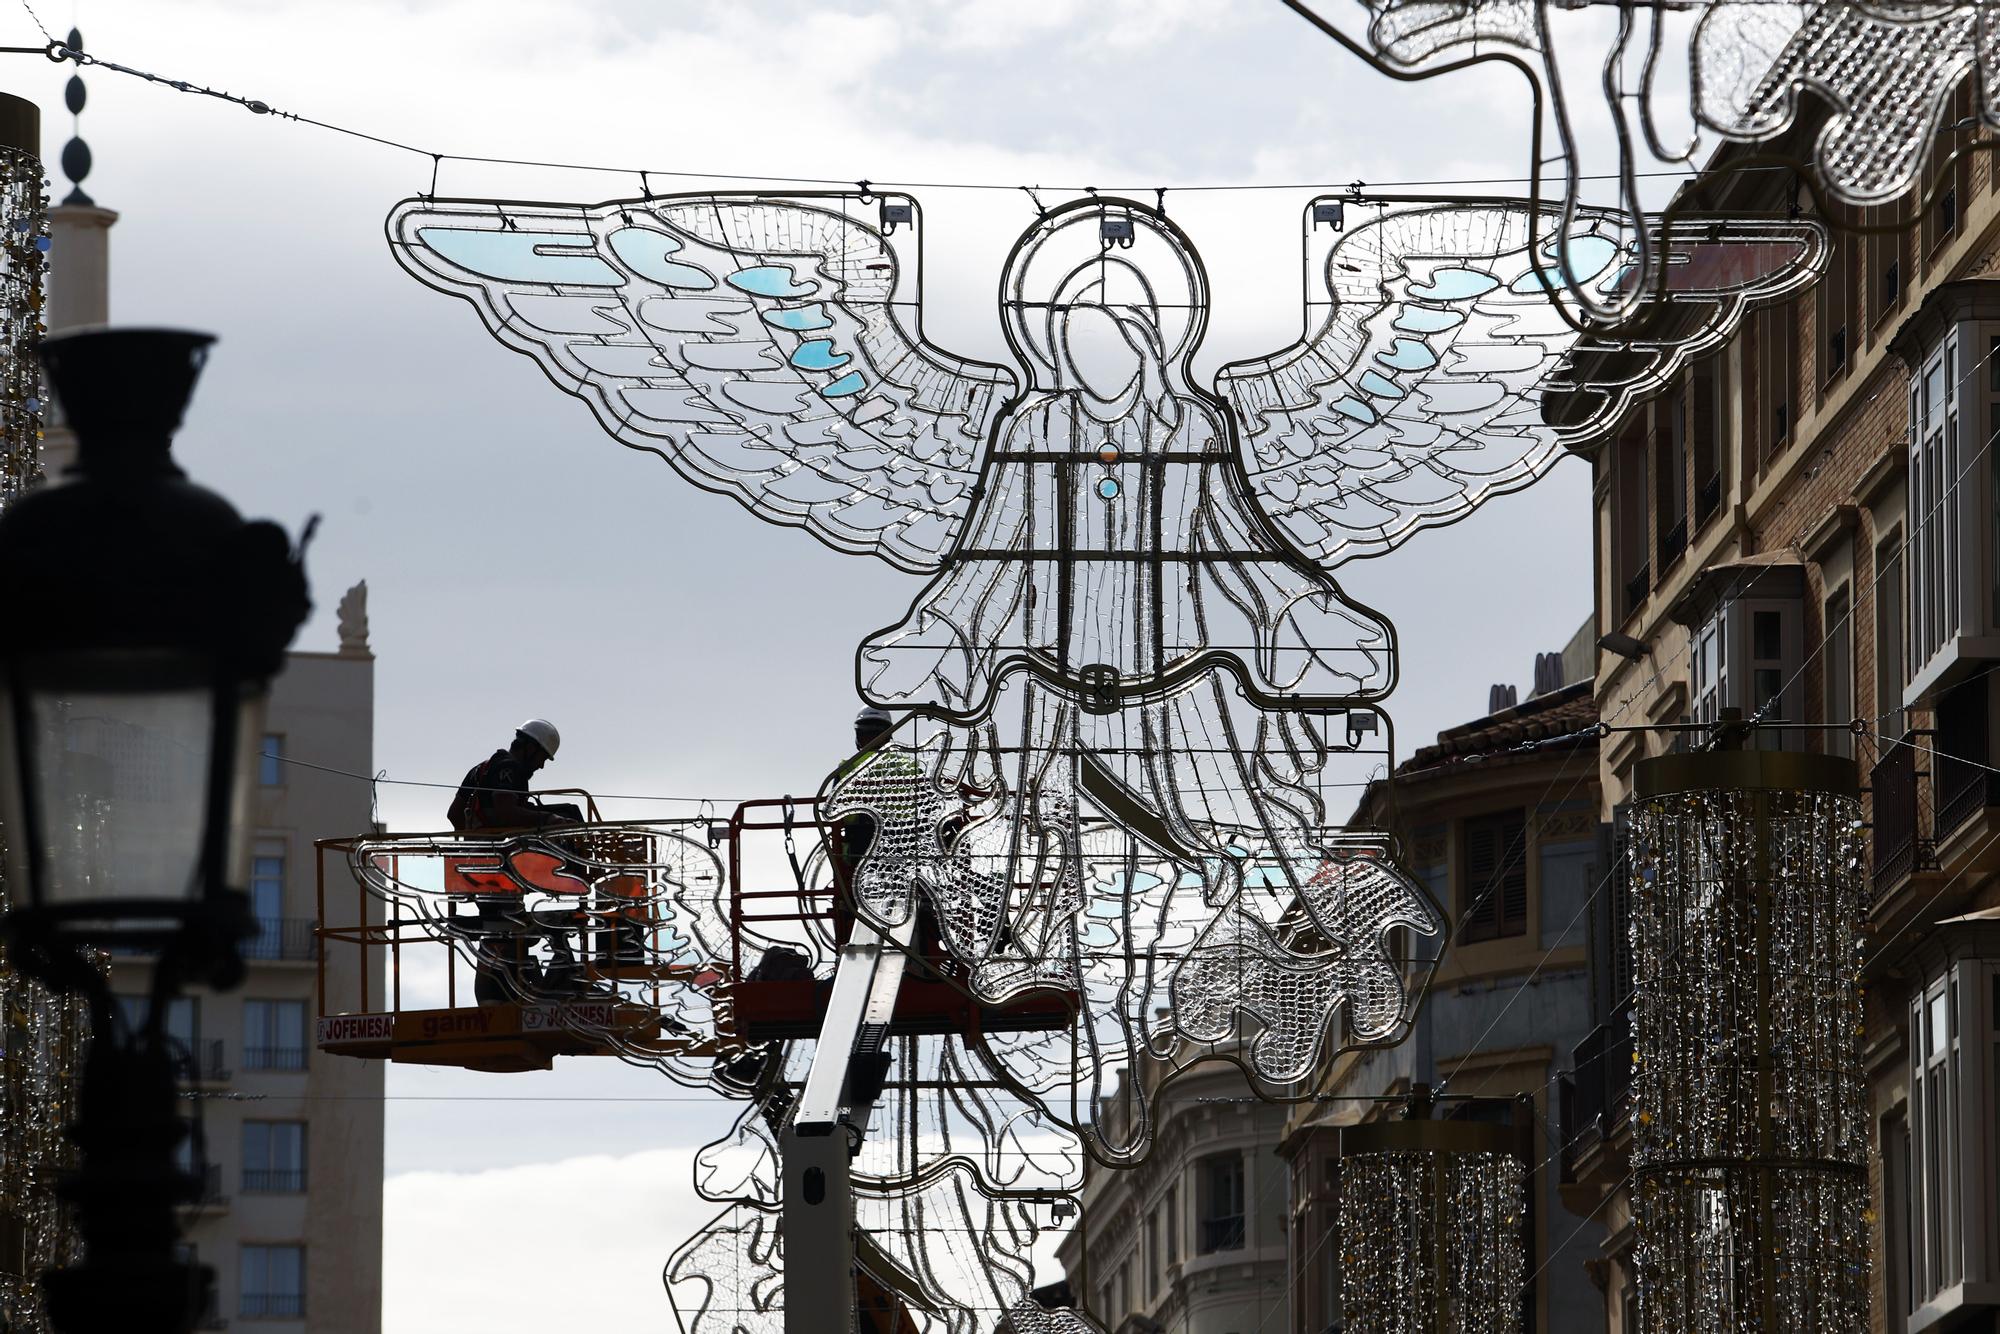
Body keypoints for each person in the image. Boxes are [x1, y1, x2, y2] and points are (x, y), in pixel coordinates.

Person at [446, 719, 587, 1001]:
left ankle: (523, 975)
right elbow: (506, 810)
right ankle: (582, 880)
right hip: (499, 865)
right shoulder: (511, 769)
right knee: (569, 818)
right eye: (542, 758)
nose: (541, 766)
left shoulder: (481, 769)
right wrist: (547, 820)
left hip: (479, 866)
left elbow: (454, 814)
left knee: (503, 924)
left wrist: (476, 844)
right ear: (529, 749)